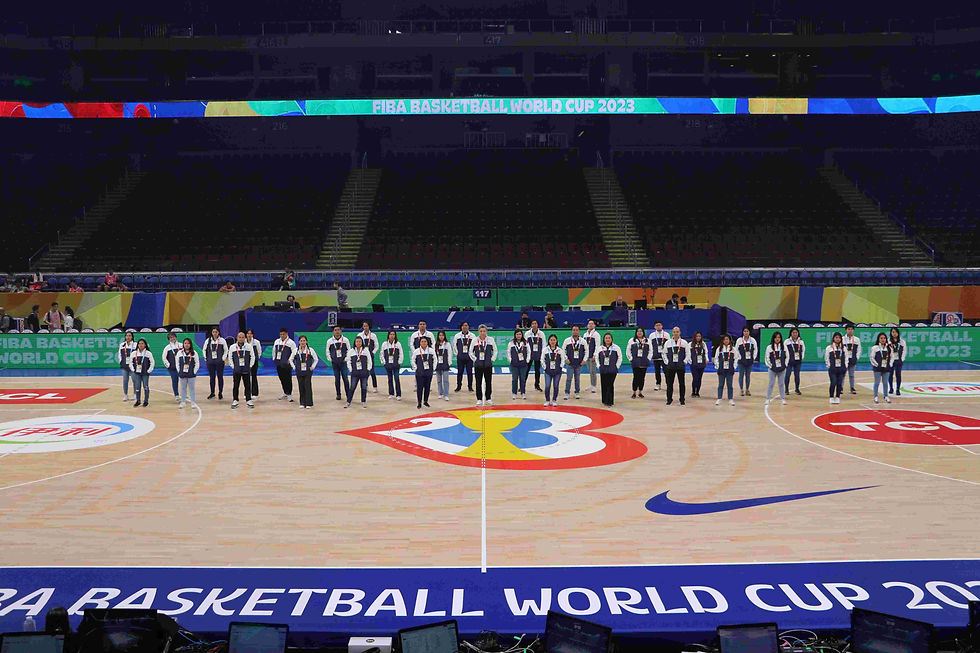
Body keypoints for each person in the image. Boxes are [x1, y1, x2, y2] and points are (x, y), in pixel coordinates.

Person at [662, 326, 689, 406]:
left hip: (680, 366)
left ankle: (682, 400)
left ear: (680, 332)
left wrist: (684, 361)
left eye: (677, 331)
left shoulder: (684, 342)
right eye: (674, 332)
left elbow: (688, 353)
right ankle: (669, 399)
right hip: (671, 366)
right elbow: (664, 353)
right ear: (672, 333)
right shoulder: (668, 343)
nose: (676, 333)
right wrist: (667, 362)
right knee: (669, 384)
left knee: (682, 384)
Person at [227, 332, 255, 409]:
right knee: (236, 385)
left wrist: (249, 366)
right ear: (237, 338)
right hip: (237, 370)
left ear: (244, 338)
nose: (241, 339)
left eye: (242, 337)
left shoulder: (249, 346)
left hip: (246, 369)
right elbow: (230, 358)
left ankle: (248, 400)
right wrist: (233, 366)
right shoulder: (232, 347)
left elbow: (252, 356)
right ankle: (235, 400)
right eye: (240, 337)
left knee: (247, 385)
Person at [290, 335, 319, 409]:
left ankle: (309, 403)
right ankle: (302, 402)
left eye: (304, 341)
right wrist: (294, 367)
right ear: (299, 342)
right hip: (299, 371)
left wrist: (312, 367)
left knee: (307, 386)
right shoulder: (295, 351)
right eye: (301, 341)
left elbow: (316, 359)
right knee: (301, 386)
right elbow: (290, 359)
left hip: (308, 371)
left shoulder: (310, 350)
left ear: (306, 342)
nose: (302, 342)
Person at [595, 332, 623, 407]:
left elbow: (620, 357)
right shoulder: (600, 348)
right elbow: (596, 358)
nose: (607, 339)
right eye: (606, 338)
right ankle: (604, 400)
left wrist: (617, 366)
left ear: (611, 339)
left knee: (610, 384)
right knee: (604, 384)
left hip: (612, 369)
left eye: (609, 338)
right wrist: (599, 366)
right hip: (603, 369)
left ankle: (610, 401)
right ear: (604, 339)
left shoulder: (616, 348)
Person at [345, 335, 373, 409]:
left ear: (362, 343)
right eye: (357, 341)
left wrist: (368, 369)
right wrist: (350, 369)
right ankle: (348, 401)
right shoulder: (351, 351)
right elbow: (348, 361)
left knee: (364, 387)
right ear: (355, 342)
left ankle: (363, 401)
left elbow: (369, 360)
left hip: (364, 372)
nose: (358, 343)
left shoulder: (365, 350)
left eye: (360, 341)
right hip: (355, 373)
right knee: (352, 387)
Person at [326, 326, 351, 401]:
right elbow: (327, 351)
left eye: (338, 330)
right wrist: (331, 359)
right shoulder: (329, 341)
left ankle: (348, 394)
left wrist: (346, 359)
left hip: (343, 362)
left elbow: (349, 350)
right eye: (335, 330)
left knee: (345, 378)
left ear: (341, 331)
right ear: (333, 331)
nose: (337, 331)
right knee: (337, 379)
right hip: (335, 363)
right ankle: (338, 394)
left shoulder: (345, 340)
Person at [472, 324, 496, 407]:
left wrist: (492, 359)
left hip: (488, 365)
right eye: (481, 331)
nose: (482, 333)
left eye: (484, 331)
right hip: (478, 365)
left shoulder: (491, 340)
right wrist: (475, 359)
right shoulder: (475, 340)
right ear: (478, 331)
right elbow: (470, 351)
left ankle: (488, 398)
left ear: (487, 331)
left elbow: (495, 350)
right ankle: (479, 399)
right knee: (478, 382)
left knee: (488, 382)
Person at [562, 325, 587, 400]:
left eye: (576, 330)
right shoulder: (567, 340)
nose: (575, 331)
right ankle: (567, 393)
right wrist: (566, 359)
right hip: (570, 363)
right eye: (573, 330)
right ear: (571, 331)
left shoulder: (583, 341)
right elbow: (563, 350)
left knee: (577, 378)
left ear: (579, 331)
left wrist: (584, 360)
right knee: (569, 378)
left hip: (579, 363)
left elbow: (587, 351)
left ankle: (577, 392)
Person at [272, 328, 297, 402]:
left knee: (288, 379)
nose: (282, 336)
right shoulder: (277, 341)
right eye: (280, 334)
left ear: (287, 334)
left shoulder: (291, 342)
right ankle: (285, 392)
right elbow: (274, 350)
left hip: (286, 365)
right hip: (278, 364)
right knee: (281, 378)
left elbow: (294, 352)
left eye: (283, 334)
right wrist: (274, 358)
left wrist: (290, 360)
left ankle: (289, 394)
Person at [764, 331, 788, 406]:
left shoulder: (784, 347)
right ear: (773, 338)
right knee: (771, 383)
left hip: (782, 369)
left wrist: (785, 365)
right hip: (772, 369)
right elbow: (766, 358)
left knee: (781, 384)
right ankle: (768, 398)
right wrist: (771, 366)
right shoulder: (769, 347)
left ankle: (783, 398)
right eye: (776, 337)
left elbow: (787, 356)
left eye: (779, 337)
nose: (777, 339)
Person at [203, 327, 227, 400]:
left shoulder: (222, 340)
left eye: (216, 332)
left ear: (218, 332)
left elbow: (226, 350)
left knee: (220, 377)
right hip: (210, 362)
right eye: (213, 332)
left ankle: (220, 392)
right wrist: (206, 358)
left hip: (219, 362)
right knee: (212, 378)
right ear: (212, 333)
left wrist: (223, 358)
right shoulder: (208, 340)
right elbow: (204, 349)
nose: (215, 333)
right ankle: (212, 392)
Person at [412, 335, 436, 409]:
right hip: (420, 372)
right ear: (420, 342)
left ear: (427, 342)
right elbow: (412, 360)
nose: (423, 343)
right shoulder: (416, 351)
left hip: (428, 372)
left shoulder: (431, 351)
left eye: (425, 341)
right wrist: (416, 368)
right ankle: (419, 402)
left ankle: (425, 401)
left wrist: (433, 368)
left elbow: (435, 359)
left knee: (427, 387)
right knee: (420, 388)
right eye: (422, 341)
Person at [626, 327, 650, 399]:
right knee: (636, 377)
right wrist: (631, 358)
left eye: (641, 331)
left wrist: (648, 358)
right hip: (635, 362)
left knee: (642, 378)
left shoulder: (647, 341)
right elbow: (628, 350)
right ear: (636, 332)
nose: (639, 333)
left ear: (643, 332)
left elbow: (651, 350)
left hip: (644, 362)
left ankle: (640, 392)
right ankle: (634, 392)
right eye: (638, 331)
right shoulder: (632, 340)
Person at [870, 332, 894, 404]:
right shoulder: (875, 348)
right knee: (877, 382)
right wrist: (876, 365)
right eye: (881, 338)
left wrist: (890, 364)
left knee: (885, 383)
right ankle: (875, 396)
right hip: (877, 368)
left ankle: (886, 396)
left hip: (886, 368)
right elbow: (872, 357)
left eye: (884, 338)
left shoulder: (889, 348)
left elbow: (892, 357)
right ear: (878, 339)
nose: (883, 339)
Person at [129, 338, 154, 408]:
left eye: (142, 343)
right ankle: (138, 401)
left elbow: (152, 362)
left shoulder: (148, 353)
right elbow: (130, 362)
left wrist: (149, 370)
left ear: (145, 345)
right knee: (137, 387)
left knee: (145, 386)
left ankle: (146, 401)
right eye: (139, 343)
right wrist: (133, 369)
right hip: (137, 373)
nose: (141, 345)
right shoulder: (134, 353)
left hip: (145, 373)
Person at [541, 334, 565, 406]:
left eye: (554, 340)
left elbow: (563, 360)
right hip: (548, 371)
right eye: (551, 340)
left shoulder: (560, 350)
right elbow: (542, 359)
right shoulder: (545, 350)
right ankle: (547, 400)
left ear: (556, 341)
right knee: (547, 386)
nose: (552, 341)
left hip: (557, 372)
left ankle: (554, 400)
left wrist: (560, 367)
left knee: (556, 386)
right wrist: (545, 367)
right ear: (549, 341)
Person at [176, 338, 199, 409]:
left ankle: (193, 402)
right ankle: (183, 402)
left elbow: (197, 363)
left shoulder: (194, 353)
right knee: (183, 388)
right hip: (182, 374)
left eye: (188, 343)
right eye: (185, 343)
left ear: (190, 344)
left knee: (191, 388)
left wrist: (194, 372)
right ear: (183, 344)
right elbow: (177, 363)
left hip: (191, 374)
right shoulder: (180, 353)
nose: (186, 345)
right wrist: (179, 371)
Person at [825, 332, 848, 405]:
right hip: (833, 369)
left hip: (841, 369)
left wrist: (845, 365)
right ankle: (831, 397)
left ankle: (837, 397)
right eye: (836, 337)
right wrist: (829, 365)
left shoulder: (844, 348)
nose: (838, 339)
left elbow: (847, 357)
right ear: (833, 339)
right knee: (833, 382)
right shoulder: (829, 348)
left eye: (839, 338)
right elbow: (826, 358)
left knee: (839, 383)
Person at [453, 322, 477, 392]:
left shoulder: (472, 336)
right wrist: (458, 354)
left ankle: (470, 387)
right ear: (461, 327)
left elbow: (475, 346)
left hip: (469, 357)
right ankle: (458, 386)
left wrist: (472, 355)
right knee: (460, 372)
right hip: (460, 357)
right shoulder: (457, 336)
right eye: (463, 326)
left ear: (468, 327)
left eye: (466, 325)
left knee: (469, 372)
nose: (465, 327)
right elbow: (454, 346)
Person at [714, 334, 736, 406]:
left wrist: (734, 366)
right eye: (724, 339)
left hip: (730, 369)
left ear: (729, 340)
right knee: (721, 385)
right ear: (723, 341)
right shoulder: (719, 349)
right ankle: (719, 398)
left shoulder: (733, 349)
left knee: (730, 385)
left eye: (727, 339)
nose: (726, 341)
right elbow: (716, 358)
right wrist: (718, 366)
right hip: (721, 369)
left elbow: (736, 358)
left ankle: (730, 398)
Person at [381, 330, 404, 401]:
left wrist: (399, 362)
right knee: (390, 379)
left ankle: (398, 394)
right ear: (388, 335)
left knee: (396, 378)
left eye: (393, 334)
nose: (392, 336)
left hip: (396, 364)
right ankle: (391, 393)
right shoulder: (384, 344)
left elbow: (401, 353)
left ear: (395, 336)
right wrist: (384, 362)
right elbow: (381, 354)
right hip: (388, 364)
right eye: (390, 334)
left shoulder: (398, 344)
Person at [524, 320, 546, 392]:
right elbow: (524, 345)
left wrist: (542, 355)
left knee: (537, 371)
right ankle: (522, 385)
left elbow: (544, 345)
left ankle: (537, 386)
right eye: (532, 324)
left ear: (538, 325)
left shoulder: (541, 334)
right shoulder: (527, 333)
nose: (534, 325)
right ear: (531, 325)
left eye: (535, 323)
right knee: (526, 370)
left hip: (538, 355)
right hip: (529, 355)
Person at [358, 321, 380, 393]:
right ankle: (365, 385)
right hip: (363, 356)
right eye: (364, 326)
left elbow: (376, 346)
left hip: (370, 355)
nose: (365, 327)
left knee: (372, 371)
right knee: (364, 371)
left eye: (367, 326)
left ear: (369, 326)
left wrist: (373, 352)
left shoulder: (373, 335)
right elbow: (357, 345)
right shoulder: (360, 335)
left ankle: (375, 386)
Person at [735, 327, 758, 397]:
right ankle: (741, 389)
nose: (746, 333)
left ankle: (747, 389)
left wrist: (753, 358)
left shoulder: (753, 340)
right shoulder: (739, 340)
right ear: (742, 332)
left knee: (748, 376)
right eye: (744, 331)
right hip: (741, 361)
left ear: (749, 332)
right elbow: (736, 350)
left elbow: (755, 349)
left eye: (747, 331)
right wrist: (739, 357)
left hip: (749, 361)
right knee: (741, 375)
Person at [509, 328, 530, 399]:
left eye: (520, 334)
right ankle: (514, 393)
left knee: (522, 379)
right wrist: (510, 360)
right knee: (514, 379)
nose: (518, 336)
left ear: (522, 335)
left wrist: (527, 360)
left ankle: (523, 393)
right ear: (515, 335)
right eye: (517, 334)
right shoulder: (511, 343)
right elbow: (508, 352)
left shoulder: (525, 343)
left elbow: (529, 352)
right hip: (514, 364)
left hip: (523, 364)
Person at [161, 332, 182, 402]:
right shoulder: (167, 348)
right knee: (174, 380)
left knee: (183, 381)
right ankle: (176, 395)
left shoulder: (181, 345)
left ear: (176, 337)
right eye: (170, 337)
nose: (172, 338)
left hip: (182, 367)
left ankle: (183, 394)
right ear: (168, 339)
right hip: (172, 368)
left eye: (173, 337)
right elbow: (164, 358)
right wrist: (168, 365)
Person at [649, 321, 669, 391]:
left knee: (666, 371)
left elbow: (669, 346)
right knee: (657, 371)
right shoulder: (652, 335)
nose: (658, 326)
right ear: (654, 327)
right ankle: (658, 384)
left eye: (659, 325)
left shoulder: (666, 335)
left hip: (664, 357)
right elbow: (650, 346)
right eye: (656, 325)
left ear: (662, 326)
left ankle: (668, 384)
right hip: (656, 357)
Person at [842, 324, 862, 395]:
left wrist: (857, 357)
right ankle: (841, 388)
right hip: (844, 360)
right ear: (846, 330)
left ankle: (852, 387)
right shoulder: (842, 339)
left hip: (853, 359)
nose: (850, 331)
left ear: (853, 330)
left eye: (851, 329)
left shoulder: (857, 339)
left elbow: (859, 350)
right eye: (848, 329)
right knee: (843, 374)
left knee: (851, 374)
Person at [785, 327, 805, 395]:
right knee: (787, 375)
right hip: (789, 361)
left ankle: (797, 389)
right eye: (793, 332)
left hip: (798, 362)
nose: (795, 334)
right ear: (791, 333)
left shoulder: (801, 342)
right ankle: (786, 389)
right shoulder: (787, 341)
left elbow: (803, 350)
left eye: (796, 332)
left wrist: (802, 357)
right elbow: (785, 351)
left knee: (797, 375)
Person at [583, 320, 601, 394]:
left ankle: (594, 386)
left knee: (593, 371)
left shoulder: (596, 334)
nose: (590, 325)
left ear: (594, 325)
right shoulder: (585, 334)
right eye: (589, 324)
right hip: (587, 355)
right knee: (590, 370)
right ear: (587, 325)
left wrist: (595, 354)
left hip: (592, 355)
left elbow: (597, 345)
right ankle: (591, 384)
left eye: (592, 324)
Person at [433, 331, 453, 401]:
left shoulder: (447, 344)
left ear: (444, 336)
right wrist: (434, 364)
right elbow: (433, 355)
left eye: (442, 335)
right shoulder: (435, 345)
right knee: (439, 380)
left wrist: (449, 363)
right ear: (438, 336)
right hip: (438, 364)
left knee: (446, 380)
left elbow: (450, 354)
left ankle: (446, 394)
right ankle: (440, 393)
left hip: (445, 363)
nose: (441, 337)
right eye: (440, 335)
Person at [118, 331, 137, 401]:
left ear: (132, 337)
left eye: (129, 336)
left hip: (133, 366)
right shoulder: (122, 345)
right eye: (127, 336)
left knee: (134, 380)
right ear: (125, 337)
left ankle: (135, 394)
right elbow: (119, 354)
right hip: (124, 366)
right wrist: (121, 361)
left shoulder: (135, 344)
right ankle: (125, 395)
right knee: (125, 380)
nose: (128, 337)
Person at [689, 331, 709, 398]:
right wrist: (690, 361)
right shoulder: (690, 344)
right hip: (694, 364)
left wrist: (707, 359)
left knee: (699, 378)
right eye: (697, 336)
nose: (698, 337)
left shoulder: (703, 344)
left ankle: (697, 392)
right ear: (694, 337)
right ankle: (693, 392)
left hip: (701, 363)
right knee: (695, 378)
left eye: (699, 336)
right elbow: (688, 354)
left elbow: (706, 352)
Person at [888, 327, 907, 396]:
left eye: (895, 332)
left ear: (898, 333)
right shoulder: (888, 341)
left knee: (898, 375)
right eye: (893, 332)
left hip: (898, 360)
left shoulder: (902, 341)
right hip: (891, 361)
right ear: (891, 333)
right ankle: (891, 388)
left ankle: (898, 389)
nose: (894, 333)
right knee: (890, 374)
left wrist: (902, 359)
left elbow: (904, 351)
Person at [245, 329, 261, 397]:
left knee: (254, 376)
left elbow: (259, 351)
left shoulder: (256, 342)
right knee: (246, 377)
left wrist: (256, 359)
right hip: (246, 362)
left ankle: (255, 393)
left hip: (254, 361)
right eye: (248, 333)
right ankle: (247, 393)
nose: (249, 335)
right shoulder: (244, 342)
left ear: (252, 335)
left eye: (251, 333)